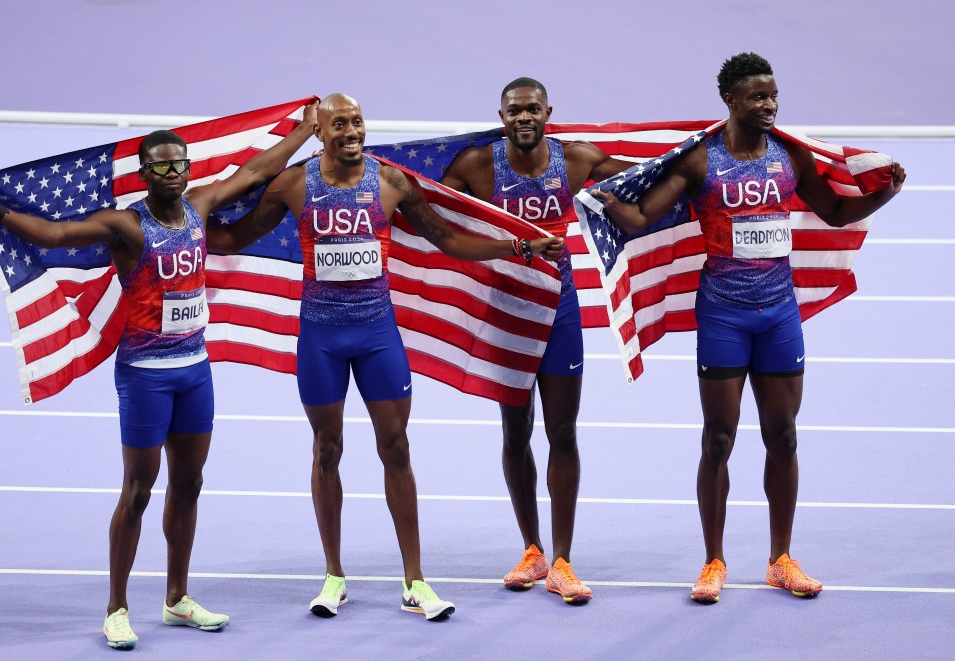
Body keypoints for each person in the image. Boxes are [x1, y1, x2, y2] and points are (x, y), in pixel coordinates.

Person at [0, 102, 318, 648]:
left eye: (180, 165)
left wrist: (303, 132)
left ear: (189, 169)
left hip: (195, 370)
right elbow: (56, 236)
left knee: (191, 483)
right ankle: (117, 607)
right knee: (138, 489)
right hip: (145, 374)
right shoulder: (125, 225)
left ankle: (177, 598)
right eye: (161, 166)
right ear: (145, 171)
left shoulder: (199, 206)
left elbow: (253, 172)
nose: (172, 174)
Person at [215, 93, 563, 620]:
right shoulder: (292, 185)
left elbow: (446, 238)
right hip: (321, 339)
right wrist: (183, 233)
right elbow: (239, 236)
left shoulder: (392, 183)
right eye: (339, 124)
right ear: (320, 132)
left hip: (378, 334)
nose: (352, 132)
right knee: (327, 448)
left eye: (357, 121)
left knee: (396, 447)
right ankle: (333, 575)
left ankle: (415, 582)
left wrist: (516, 247)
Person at [593, 53, 906, 604]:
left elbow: (833, 212)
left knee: (783, 435)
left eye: (774, 96)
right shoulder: (698, 162)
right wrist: (606, 201)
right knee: (719, 439)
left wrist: (884, 195)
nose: (769, 105)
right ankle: (713, 562)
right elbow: (642, 219)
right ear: (731, 101)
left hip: (779, 314)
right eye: (758, 97)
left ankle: (780, 559)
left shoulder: (790, 156)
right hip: (722, 314)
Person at [440, 77, 632, 604]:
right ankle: (531, 548)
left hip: (560, 312)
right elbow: (431, 207)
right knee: (514, 431)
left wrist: (699, 155)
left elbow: (642, 177)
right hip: (506, 312)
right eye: (514, 111)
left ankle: (563, 562)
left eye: (532, 110)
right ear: (501, 117)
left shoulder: (574, 160)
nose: (524, 118)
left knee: (563, 433)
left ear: (548, 112)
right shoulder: (478, 167)